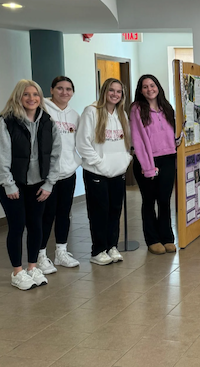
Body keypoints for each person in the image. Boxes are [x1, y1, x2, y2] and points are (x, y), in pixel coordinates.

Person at [0, 80, 61, 290]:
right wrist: (8, 184)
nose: (31, 99)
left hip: (39, 185)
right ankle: (17, 272)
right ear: (18, 97)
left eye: (35, 94)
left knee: (36, 225)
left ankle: (32, 268)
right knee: (17, 226)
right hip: (13, 185)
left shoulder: (48, 122)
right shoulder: (6, 122)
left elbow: (56, 155)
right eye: (26, 95)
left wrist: (49, 183)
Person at [76, 78, 132, 265]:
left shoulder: (121, 114)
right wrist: (100, 164)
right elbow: (82, 144)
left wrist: (125, 161)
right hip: (96, 173)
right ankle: (98, 250)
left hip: (117, 173)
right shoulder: (91, 112)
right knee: (100, 212)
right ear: (104, 92)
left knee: (115, 211)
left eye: (119, 91)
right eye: (111, 90)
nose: (115, 94)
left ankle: (111, 246)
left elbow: (126, 143)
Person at [36, 76, 82, 274]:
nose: (65, 93)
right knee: (46, 215)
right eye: (60, 88)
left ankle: (61, 252)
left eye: (69, 89)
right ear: (52, 89)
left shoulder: (74, 115)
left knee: (64, 213)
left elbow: (78, 141)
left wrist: (76, 162)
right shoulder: (42, 110)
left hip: (68, 173)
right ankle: (40, 255)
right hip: (47, 175)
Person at [130, 75, 177, 255]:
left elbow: (173, 133)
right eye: (145, 87)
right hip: (146, 161)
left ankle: (167, 238)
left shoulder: (167, 107)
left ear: (158, 87)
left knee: (164, 201)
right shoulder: (136, 109)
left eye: (152, 85)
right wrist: (148, 166)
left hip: (168, 159)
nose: (149, 89)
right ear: (140, 90)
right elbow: (138, 139)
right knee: (149, 201)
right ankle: (152, 239)